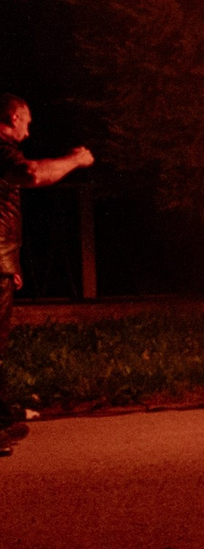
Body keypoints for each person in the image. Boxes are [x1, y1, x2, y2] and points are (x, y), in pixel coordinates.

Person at [2, 93, 96, 455]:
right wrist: (76, 159)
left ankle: (3, 417)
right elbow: (34, 174)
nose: (29, 128)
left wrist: (10, 263)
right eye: (26, 120)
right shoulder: (2, 151)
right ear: (12, 118)